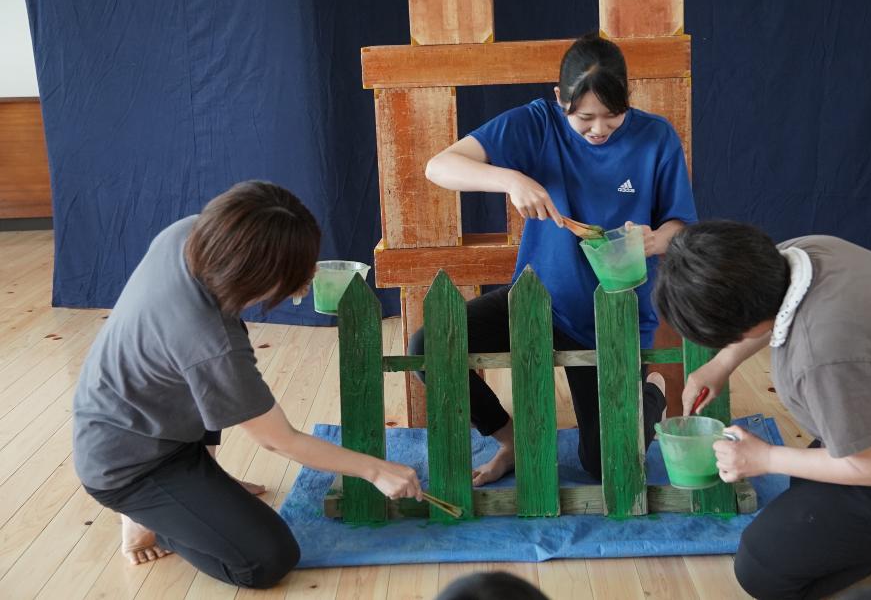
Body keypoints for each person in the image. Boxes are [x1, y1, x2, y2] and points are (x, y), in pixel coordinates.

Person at [72, 181, 423, 588]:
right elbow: (279, 440)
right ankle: (145, 515)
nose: (303, 280)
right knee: (267, 560)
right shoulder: (209, 343)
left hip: (146, 414)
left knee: (214, 383)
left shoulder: (188, 234)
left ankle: (197, 487)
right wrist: (375, 470)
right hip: (128, 466)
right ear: (253, 274)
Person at [653, 220, 871, 600]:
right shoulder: (803, 253)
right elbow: (764, 313)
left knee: (762, 568)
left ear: (738, 327)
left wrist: (764, 458)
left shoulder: (823, 356)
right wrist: (721, 363)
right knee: (807, 485)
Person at [411, 33, 698, 485]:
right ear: (559, 99)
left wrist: (654, 240)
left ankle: (652, 394)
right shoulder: (537, 123)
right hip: (537, 300)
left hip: (612, 315)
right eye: (585, 118)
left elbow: (680, 226)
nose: (599, 130)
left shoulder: (656, 137)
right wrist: (510, 180)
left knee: (606, 467)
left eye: (613, 116)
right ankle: (511, 441)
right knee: (429, 347)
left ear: (628, 99)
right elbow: (439, 167)